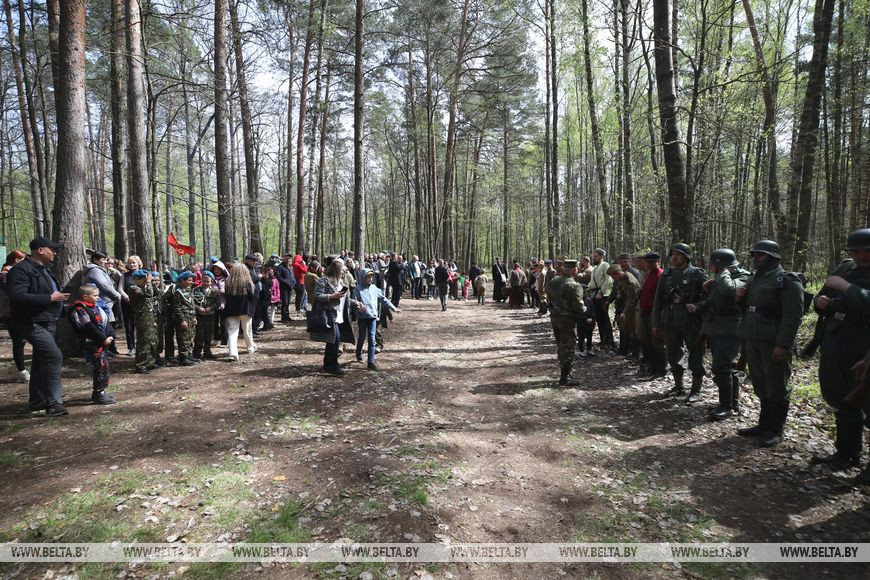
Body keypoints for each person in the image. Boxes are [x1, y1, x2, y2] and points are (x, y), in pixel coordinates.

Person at [812, 228, 870, 481]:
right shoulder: (846, 269)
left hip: (864, 352)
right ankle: (845, 452)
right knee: (842, 401)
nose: (861, 256)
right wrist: (823, 303)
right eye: (856, 251)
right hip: (837, 346)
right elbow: (824, 299)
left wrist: (846, 289)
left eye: (866, 251)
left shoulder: (847, 280)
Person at [735, 240, 804, 447]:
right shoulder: (756, 279)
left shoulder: (787, 279)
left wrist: (783, 344)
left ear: (773, 257)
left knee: (776, 385)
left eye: (761, 255)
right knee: (760, 383)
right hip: (753, 337)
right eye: (755, 255)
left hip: (773, 340)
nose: (756, 258)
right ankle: (763, 424)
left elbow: (793, 316)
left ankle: (775, 429)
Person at [5, 237, 70, 415]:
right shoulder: (20, 270)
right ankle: (54, 403)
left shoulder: (44, 270)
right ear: (40, 250)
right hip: (31, 322)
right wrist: (50, 298)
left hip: (47, 320)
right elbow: (18, 296)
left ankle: (37, 401)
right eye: (52, 249)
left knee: (42, 360)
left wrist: (63, 304)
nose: (55, 253)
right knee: (53, 356)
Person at [687, 249, 750, 420]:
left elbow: (729, 290)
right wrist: (700, 303)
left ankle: (726, 406)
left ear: (720, 264)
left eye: (713, 264)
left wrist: (722, 274)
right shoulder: (722, 278)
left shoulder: (742, 276)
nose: (709, 266)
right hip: (715, 327)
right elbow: (715, 300)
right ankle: (732, 402)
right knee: (727, 366)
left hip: (730, 329)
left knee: (721, 366)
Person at [651, 243, 709, 402]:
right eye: (672, 254)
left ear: (686, 257)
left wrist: (697, 306)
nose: (674, 257)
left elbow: (710, 296)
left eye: (678, 254)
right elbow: (658, 301)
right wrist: (655, 323)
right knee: (673, 353)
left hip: (691, 321)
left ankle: (696, 390)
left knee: (696, 355)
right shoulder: (667, 274)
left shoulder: (697, 274)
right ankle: (679, 386)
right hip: (670, 320)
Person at [311, 259, 363, 375]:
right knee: (336, 339)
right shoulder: (323, 281)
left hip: (340, 316)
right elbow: (317, 297)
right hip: (329, 316)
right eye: (343, 267)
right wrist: (331, 296)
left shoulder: (341, 283)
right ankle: (334, 365)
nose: (345, 269)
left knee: (332, 341)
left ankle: (327, 365)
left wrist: (355, 303)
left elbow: (345, 298)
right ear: (337, 269)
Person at [68, 285, 117, 404]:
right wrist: (102, 339)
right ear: (85, 296)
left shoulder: (97, 307)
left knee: (104, 366)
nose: (98, 297)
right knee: (100, 367)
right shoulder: (80, 309)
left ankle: (101, 391)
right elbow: (88, 327)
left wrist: (110, 335)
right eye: (95, 295)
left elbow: (106, 322)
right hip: (92, 344)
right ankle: (98, 393)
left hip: (102, 342)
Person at [549, 259, 587, 386]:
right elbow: (579, 306)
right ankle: (565, 377)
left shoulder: (554, 281)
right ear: (574, 270)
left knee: (560, 344)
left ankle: (564, 373)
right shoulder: (575, 286)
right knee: (568, 347)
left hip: (555, 317)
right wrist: (585, 308)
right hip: (568, 320)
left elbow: (549, 295)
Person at [354, 269, 400, 370]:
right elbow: (353, 301)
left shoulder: (375, 288)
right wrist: (358, 307)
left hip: (373, 317)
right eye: (368, 277)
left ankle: (371, 362)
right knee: (361, 337)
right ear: (363, 278)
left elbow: (384, 299)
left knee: (372, 338)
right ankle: (358, 354)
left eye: (371, 277)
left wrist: (394, 308)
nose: (370, 279)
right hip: (362, 318)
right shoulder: (357, 289)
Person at [0, 250, 28, 382]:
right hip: (10, 313)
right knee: (19, 341)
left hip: (16, 312)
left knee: (21, 341)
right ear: (16, 260)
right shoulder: (5, 274)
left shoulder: (11, 273)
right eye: (23, 260)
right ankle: (21, 371)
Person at [637, 253, 666, 378]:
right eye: (647, 262)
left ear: (657, 262)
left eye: (651, 262)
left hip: (654, 314)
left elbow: (660, 297)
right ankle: (653, 367)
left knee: (657, 343)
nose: (649, 264)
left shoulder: (661, 275)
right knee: (648, 342)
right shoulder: (648, 274)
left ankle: (661, 369)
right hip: (645, 312)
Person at [224, 263, 258, 361]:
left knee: (232, 331)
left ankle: (233, 353)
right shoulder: (247, 282)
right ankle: (250, 348)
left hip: (231, 309)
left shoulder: (228, 282)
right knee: (247, 330)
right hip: (245, 309)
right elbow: (252, 296)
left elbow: (226, 295)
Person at [608, 263, 641, 360]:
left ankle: (636, 353)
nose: (613, 279)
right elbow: (619, 293)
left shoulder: (630, 281)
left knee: (634, 330)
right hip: (625, 307)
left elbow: (631, 300)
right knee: (625, 329)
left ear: (617, 273)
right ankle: (624, 351)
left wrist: (624, 312)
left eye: (613, 276)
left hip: (633, 309)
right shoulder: (621, 279)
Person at [128, 269, 158, 373]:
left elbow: (155, 294)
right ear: (136, 279)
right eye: (143, 280)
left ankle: (150, 362)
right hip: (142, 318)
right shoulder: (133, 288)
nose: (146, 281)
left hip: (150, 316)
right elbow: (149, 294)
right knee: (143, 341)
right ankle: (141, 364)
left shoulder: (146, 287)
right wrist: (149, 283)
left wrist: (152, 283)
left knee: (152, 340)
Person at [587, 249, 615, 352]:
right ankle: (603, 340)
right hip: (594, 295)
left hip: (602, 296)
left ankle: (608, 341)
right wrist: (588, 289)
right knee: (599, 319)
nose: (594, 258)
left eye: (596, 256)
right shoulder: (595, 268)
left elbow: (608, 280)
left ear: (601, 256)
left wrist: (601, 292)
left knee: (604, 319)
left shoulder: (605, 265)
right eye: (593, 256)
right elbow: (592, 282)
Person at [193, 271, 221, 360]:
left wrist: (210, 308)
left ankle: (207, 352)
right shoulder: (196, 290)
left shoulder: (214, 291)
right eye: (204, 281)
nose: (206, 283)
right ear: (201, 280)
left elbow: (218, 303)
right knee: (199, 334)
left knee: (209, 334)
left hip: (210, 316)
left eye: (208, 281)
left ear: (211, 282)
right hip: (200, 316)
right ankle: (197, 353)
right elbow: (192, 302)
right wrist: (198, 308)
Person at [174, 271, 198, 366]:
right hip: (184, 317)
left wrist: (194, 317)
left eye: (192, 280)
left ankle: (189, 355)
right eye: (189, 280)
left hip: (190, 316)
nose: (191, 282)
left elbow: (191, 305)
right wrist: (182, 320)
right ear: (182, 281)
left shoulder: (189, 290)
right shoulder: (178, 292)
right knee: (184, 338)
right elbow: (177, 307)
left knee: (191, 337)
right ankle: (183, 357)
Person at [121, 255, 144, 355]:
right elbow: (120, 289)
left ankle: (142, 346)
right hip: (127, 304)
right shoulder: (124, 276)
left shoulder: (144, 274)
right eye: (130, 263)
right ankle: (131, 348)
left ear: (139, 263)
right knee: (129, 326)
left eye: (134, 262)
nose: (132, 264)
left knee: (142, 325)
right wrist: (126, 297)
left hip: (141, 304)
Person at [275, 253, 296, 322]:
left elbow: (292, 275)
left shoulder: (290, 267)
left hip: (290, 287)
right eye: (287, 258)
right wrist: (285, 282)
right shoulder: (280, 267)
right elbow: (278, 276)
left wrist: (294, 282)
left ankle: (287, 316)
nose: (288, 259)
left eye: (289, 258)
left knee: (288, 302)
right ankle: (283, 316)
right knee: (285, 302)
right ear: (283, 258)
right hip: (283, 287)